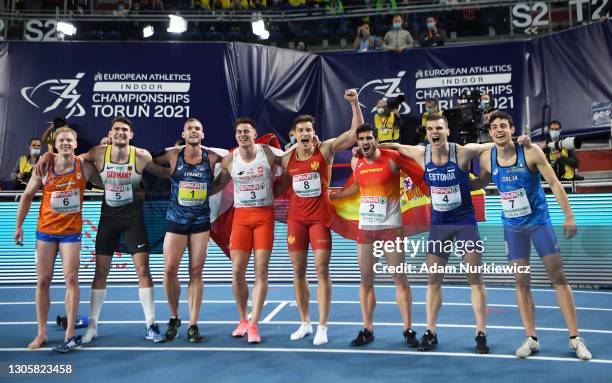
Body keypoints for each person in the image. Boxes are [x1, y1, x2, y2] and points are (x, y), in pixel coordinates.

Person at [379, 114, 524, 353]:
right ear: (427, 133)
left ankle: (480, 333)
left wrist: (519, 141)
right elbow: (394, 146)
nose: (434, 132)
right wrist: (367, 148)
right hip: (439, 226)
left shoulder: (463, 152)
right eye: (430, 129)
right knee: (433, 279)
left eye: (439, 128)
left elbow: (491, 144)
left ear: (447, 131)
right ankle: (431, 331)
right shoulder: (420, 153)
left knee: (475, 279)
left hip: (465, 222)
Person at [472, 110, 592, 360]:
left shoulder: (531, 152)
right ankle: (531, 338)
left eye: (503, 125)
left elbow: (555, 183)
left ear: (512, 129)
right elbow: (481, 182)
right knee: (521, 282)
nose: (499, 130)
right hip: (513, 229)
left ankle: (575, 337)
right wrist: (453, 185)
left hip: (539, 224)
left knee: (558, 277)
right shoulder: (486, 158)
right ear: (490, 132)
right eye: (494, 127)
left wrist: (569, 215)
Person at [38, 117, 167, 344]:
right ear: (111, 132)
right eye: (116, 129)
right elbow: (71, 158)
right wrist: (49, 155)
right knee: (101, 272)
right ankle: (93, 328)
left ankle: (151, 325)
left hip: (133, 219)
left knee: (143, 271)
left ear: (131, 134)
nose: (120, 133)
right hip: (108, 219)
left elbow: (163, 173)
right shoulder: (98, 152)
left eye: (124, 130)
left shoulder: (141, 155)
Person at [277, 90, 363, 345]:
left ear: (313, 133)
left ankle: (322, 326)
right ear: (294, 134)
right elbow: (263, 160)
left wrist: (354, 104)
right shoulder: (286, 158)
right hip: (296, 220)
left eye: (308, 130)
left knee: (322, 271)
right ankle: (305, 322)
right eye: (300, 130)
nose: (304, 134)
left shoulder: (325, 149)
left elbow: (354, 133)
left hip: (319, 220)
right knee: (298, 271)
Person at [330, 124, 419, 347]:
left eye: (369, 138)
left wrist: (395, 145)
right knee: (366, 280)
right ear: (357, 142)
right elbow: (357, 188)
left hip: (391, 229)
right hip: (366, 230)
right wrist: (336, 196)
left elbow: (415, 162)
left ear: (376, 140)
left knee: (399, 278)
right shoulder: (356, 161)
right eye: (361, 139)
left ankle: (408, 329)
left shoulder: (392, 159)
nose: (365, 142)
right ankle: (367, 328)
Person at [14, 127, 99, 352]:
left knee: (71, 279)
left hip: (71, 233)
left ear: (75, 142)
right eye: (61, 140)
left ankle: (70, 332)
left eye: (69, 140)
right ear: (54, 145)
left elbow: (109, 181)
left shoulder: (84, 166)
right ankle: (41, 332)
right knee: (43, 281)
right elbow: (27, 195)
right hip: (46, 232)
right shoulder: (44, 166)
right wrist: (19, 225)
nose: (65, 143)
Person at [212, 117, 283, 343]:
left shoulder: (269, 153)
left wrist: (277, 191)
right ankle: (243, 319)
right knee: (237, 272)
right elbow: (217, 186)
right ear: (236, 137)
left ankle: (254, 325)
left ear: (254, 134)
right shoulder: (229, 160)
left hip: (264, 217)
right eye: (239, 132)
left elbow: (294, 164)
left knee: (260, 272)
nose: (243, 135)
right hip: (241, 218)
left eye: (247, 131)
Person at [153, 118, 222, 343]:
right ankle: (174, 317)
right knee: (169, 270)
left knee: (196, 272)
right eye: (190, 129)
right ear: (183, 134)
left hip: (201, 222)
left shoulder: (212, 157)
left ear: (203, 135)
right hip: (176, 221)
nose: (193, 132)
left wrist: (214, 188)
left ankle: (193, 324)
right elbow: (145, 160)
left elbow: (235, 161)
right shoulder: (174, 156)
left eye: (197, 129)